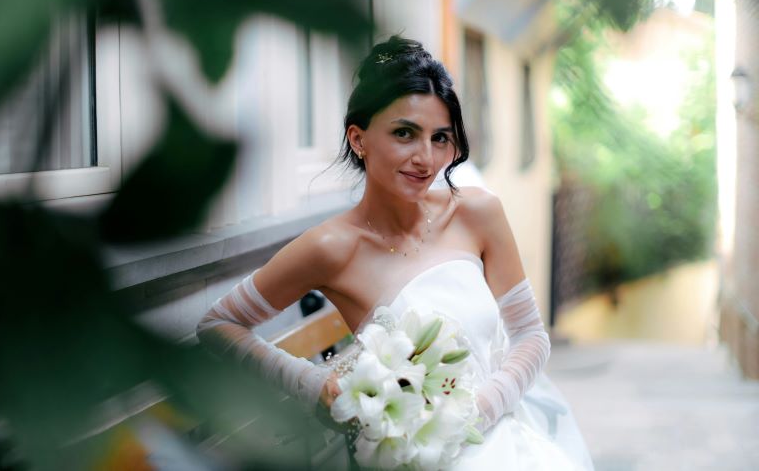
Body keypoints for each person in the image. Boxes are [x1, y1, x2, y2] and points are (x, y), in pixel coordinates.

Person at [197, 36, 594, 470]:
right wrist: (313, 385)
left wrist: (474, 415)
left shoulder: (477, 213)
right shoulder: (331, 248)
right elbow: (218, 324)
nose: (425, 158)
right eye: (405, 133)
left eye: (440, 138)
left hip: (495, 433)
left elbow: (531, 336)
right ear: (359, 138)